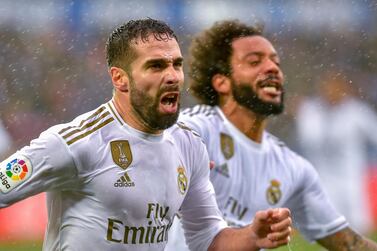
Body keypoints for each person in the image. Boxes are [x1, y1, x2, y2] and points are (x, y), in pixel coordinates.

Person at [0, 18, 292, 251]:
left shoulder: (189, 145)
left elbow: (207, 238)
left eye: (177, 64)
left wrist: (252, 236)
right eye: (156, 65)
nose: (173, 76)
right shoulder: (76, 143)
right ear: (120, 78)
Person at [165, 20, 377, 251]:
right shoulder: (195, 130)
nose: (272, 68)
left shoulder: (293, 169)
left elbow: (350, 244)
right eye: (255, 62)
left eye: (275, 61)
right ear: (222, 82)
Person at [295, 71, 377, 234]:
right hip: (323, 179)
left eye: (335, 88)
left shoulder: (355, 111)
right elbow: (307, 141)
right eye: (327, 88)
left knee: (359, 224)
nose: (331, 92)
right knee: (328, 227)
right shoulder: (311, 111)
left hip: (351, 178)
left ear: (344, 89)